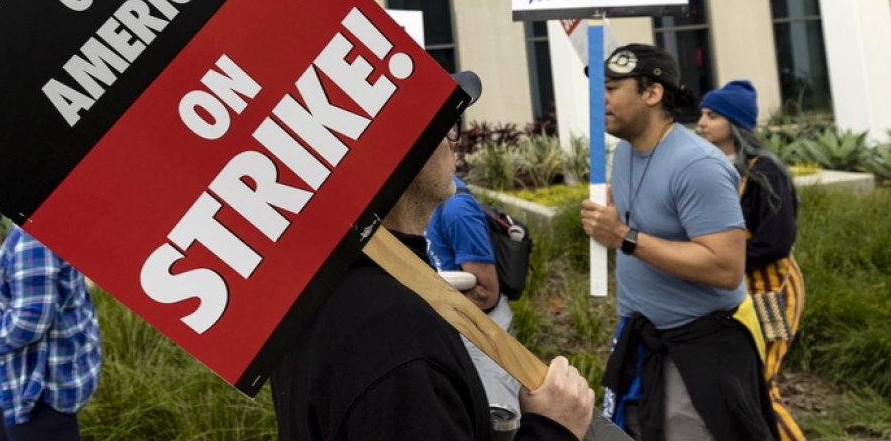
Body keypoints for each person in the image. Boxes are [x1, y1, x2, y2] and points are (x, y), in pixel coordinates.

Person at [272, 71, 594, 441]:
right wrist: (553, 429)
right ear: (400, 150)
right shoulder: (398, 333)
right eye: (445, 125)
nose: (452, 141)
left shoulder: (317, 291)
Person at [579, 44, 776, 441]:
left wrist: (623, 236)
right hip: (643, 341)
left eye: (613, 87)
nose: (599, 98)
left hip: (701, 350)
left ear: (652, 94)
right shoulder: (624, 154)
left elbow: (725, 268)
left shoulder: (697, 165)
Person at [698, 80, 806, 441]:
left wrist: (716, 262)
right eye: (701, 114)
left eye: (712, 115)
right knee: (742, 386)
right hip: (737, 294)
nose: (701, 122)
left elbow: (776, 243)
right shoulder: (716, 169)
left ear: (735, 123)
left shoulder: (767, 171)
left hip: (773, 295)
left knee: (759, 386)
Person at [0, 226, 102, 441]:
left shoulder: (34, 238)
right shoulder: (33, 229)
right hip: (17, 389)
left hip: (36, 394)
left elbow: (28, 323)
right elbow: (33, 295)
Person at [427, 173, 523, 414]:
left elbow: (486, 292)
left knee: (500, 420)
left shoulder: (456, 210)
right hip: (454, 327)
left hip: (483, 333)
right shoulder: (421, 200)